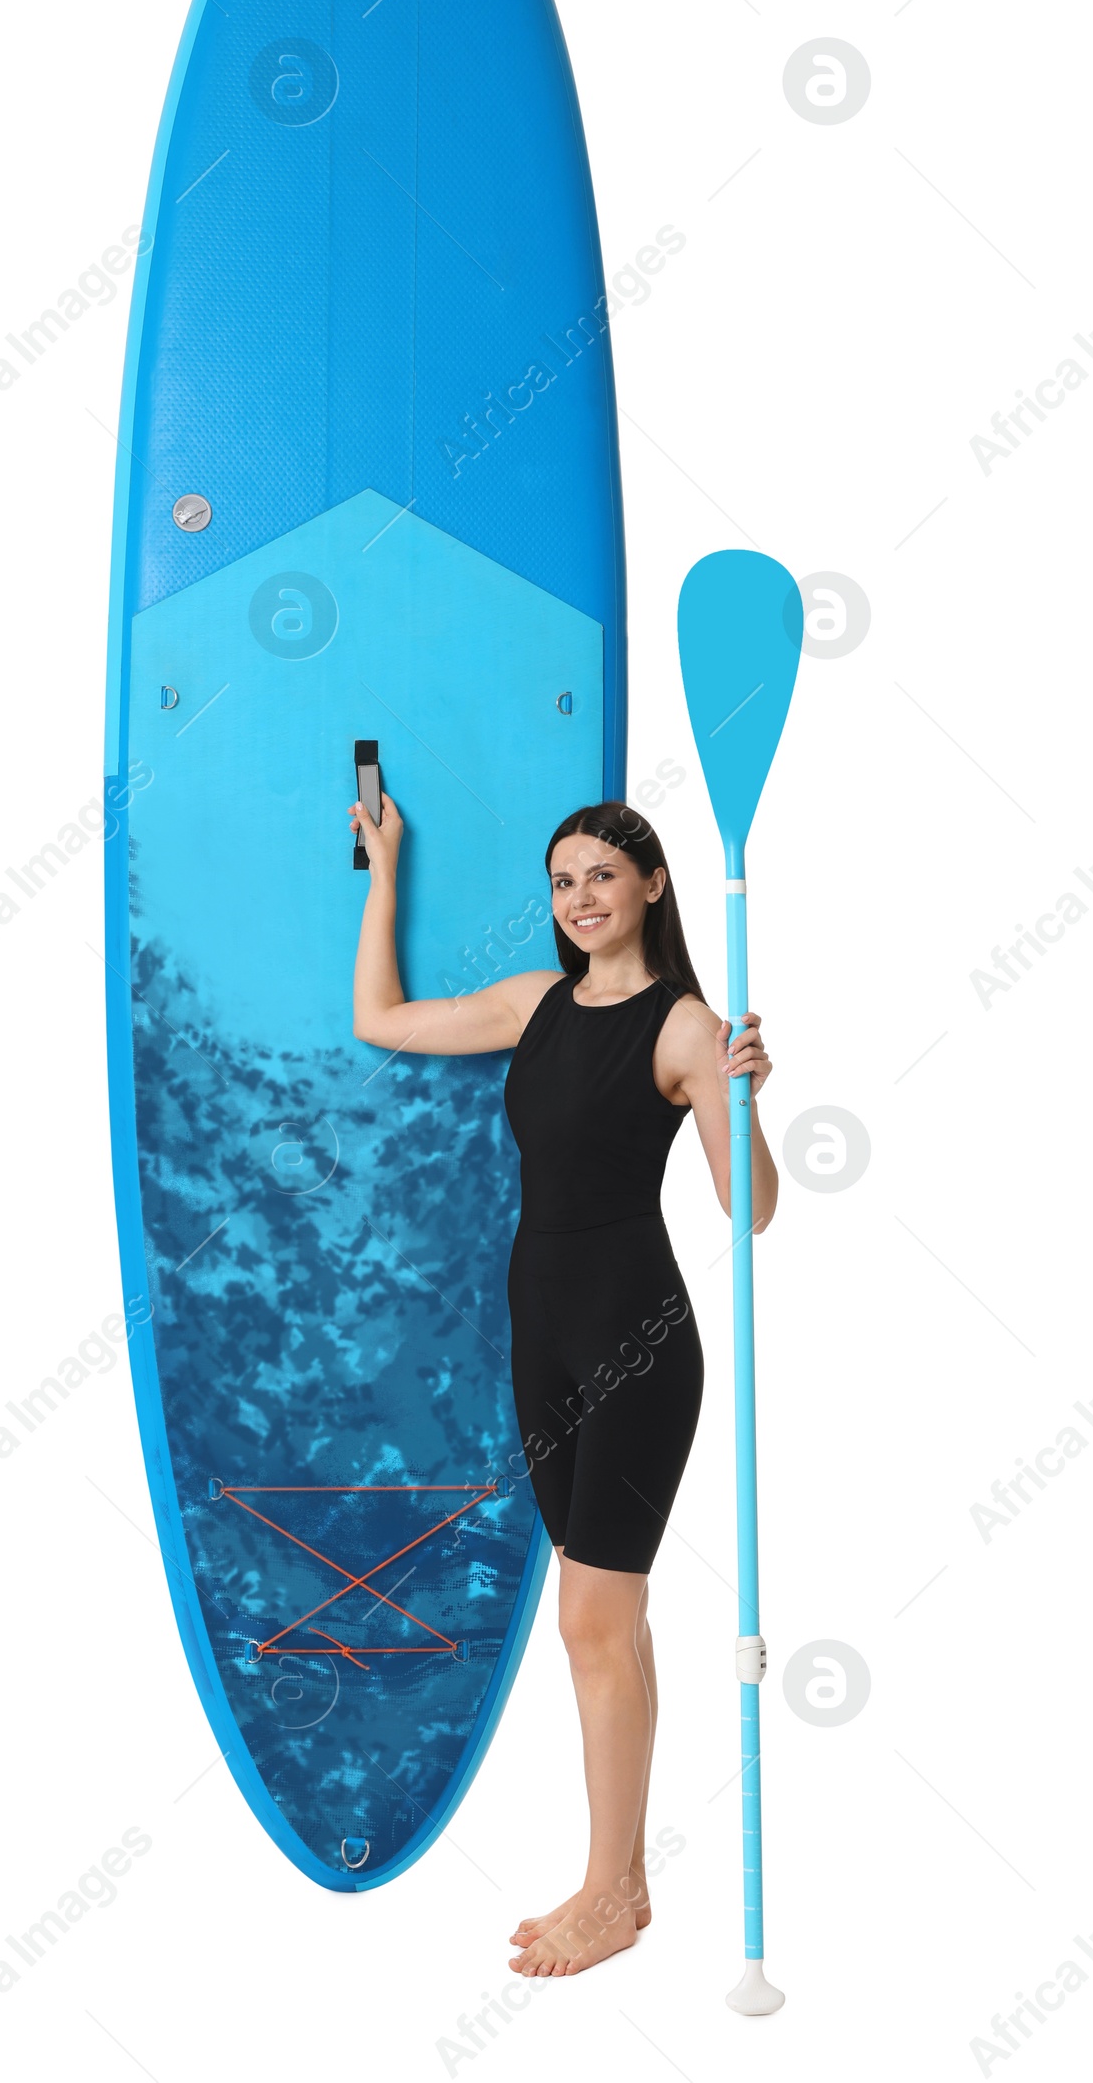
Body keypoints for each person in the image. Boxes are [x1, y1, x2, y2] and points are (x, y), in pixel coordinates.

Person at [350, 789, 778, 1977]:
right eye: (561, 880)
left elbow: (751, 1209)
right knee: (613, 1622)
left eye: (601, 874)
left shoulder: (686, 1025)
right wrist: (385, 867)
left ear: (649, 883)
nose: (579, 897)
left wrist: (742, 1098)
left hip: (636, 1344)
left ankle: (604, 1889)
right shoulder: (536, 1005)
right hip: (536, 1337)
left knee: (589, 1616)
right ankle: (627, 1881)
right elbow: (380, 1016)